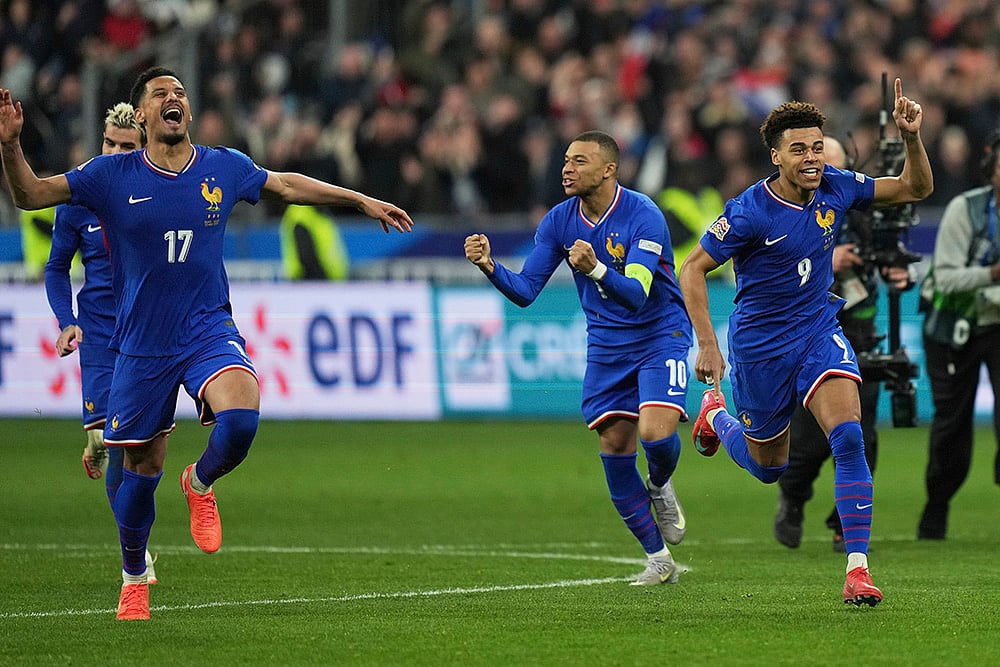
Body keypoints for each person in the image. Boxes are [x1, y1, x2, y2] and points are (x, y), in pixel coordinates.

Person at [0, 66, 413, 621]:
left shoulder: (223, 166)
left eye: (179, 92)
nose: (173, 98)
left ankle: (199, 481)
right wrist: (10, 145)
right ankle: (134, 576)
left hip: (206, 328)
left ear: (188, 110)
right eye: (159, 94)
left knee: (241, 417)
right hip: (142, 343)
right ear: (142, 115)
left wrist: (359, 199)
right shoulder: (110, 174)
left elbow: (286, 184)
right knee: (139, 471)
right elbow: (29, 194)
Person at [678, 79, 933, 607]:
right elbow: (692, 269)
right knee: (768, 467)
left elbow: (915, 189)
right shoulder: (748, 211)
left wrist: (911, 138)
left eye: (817, 147)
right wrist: (707, 343)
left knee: (849, 437)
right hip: (760, 348)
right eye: (799, 149)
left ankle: (857, 570)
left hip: (818, 330)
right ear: (776, 156)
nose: (812, 158)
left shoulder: (837, 185)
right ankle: (715, 417)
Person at [465, 130, 693, 586]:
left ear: (608, 170)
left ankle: (659, 484)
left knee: (654, 434)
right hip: (607, 345)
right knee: (614, 448)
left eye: (579, 161)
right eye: (566, 160)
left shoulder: (643, 215)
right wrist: (490, 265)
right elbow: (527, 290)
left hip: (659, 334)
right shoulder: (559, 220)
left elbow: (637, 294)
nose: (567, 169)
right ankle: (658, 558)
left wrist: (595, 268)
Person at [772, 136, 913, 552]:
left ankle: (843, 523)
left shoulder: (865, 212)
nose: (822, 171)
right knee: (808, 441)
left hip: (858, 330)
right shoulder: (785, 211)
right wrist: (828, 260)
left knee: (860, 435)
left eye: (832, 164)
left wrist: (898, 274)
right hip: (808, 331)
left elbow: (891, 255)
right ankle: (793, 498)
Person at [43, 101, 158, 583]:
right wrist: (67, 321)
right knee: (111, 440)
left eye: (126, 146)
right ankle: (137, 556)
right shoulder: (79, 198)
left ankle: (137, 543)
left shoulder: (159, 191)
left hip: (146, 332)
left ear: (143, 147)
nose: (114, 152)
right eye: (109, 142)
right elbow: (56, 268)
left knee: (136, 448)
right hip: (97, 334)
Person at [917, 129, 1000, 540]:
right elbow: (947, 279)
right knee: (952, 423)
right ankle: (937, 505)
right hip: (951, 327)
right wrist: (992, 274)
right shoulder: (965, 210)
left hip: (996, 323)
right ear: (991, 168)